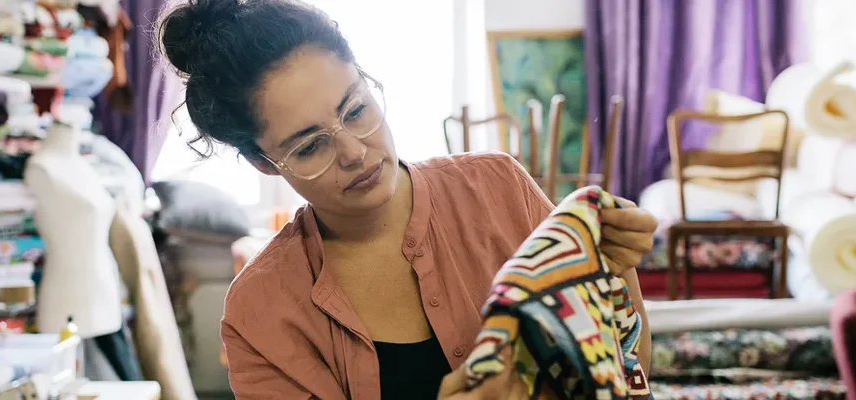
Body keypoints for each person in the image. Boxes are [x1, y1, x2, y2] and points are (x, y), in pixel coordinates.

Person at [156, 0, 657, 398]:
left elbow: (622, 367)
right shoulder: (260, 311)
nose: (354, 152)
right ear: (264, 163)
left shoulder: (497, 188)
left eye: (355, 109)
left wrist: (611, 269)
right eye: (310, 146)